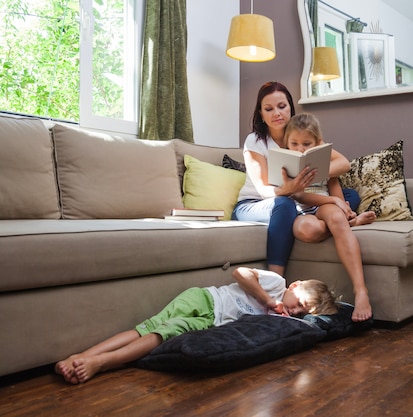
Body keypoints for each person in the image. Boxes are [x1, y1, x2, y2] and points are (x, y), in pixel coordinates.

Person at [54, 267, 337, 385]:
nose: (295, 310)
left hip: (209, 322)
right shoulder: (276, 283)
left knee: (160, 334)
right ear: (294, 285)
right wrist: (267, 300)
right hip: (204, 299)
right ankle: (85, 358)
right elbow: (239, 272)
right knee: (147, 328)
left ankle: (96, 362)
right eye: (298, 302)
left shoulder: (282, 321)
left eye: (302, 312)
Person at [232, 81, 358, 278]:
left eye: (282, 106)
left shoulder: (302, 135)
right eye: (269, 109)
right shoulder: (255, 141)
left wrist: (310, 175)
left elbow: (343, 164)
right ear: (261, 114)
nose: (277, 113)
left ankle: (336, 221)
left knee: (352, 196)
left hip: (297, 200)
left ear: (290, 107)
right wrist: (291, 187)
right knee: (284, 204)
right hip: (256, 203)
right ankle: (276, 281)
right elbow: (264, 190)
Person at [284, 113, 374, 322]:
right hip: (301, 208)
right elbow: (297, 194)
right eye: (294, 143)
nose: (300, 149)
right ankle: (349, 224)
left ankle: (361, 291)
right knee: (308, 229)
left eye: (306, 144)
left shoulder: (322, 157)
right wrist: (334, 203)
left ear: (317, 143)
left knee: (336, 216)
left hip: (324, 205)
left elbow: (333, 183)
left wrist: (341, 206)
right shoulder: (286, 161)